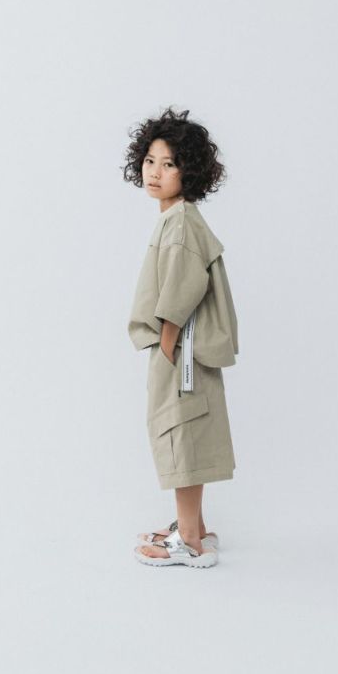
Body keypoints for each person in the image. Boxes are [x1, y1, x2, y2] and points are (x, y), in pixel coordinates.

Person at [123, 107, 239, 568]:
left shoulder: (181, 222)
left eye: (169, 163)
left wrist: (168, 346)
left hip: (182, 351)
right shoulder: (180, 218)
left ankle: (189, 542)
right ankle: (195, 527)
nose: (155, 172)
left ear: (188, 170)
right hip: (187, 351)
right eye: (150, 160)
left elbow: (182, 290)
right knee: (187, 434)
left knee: (178, 433)